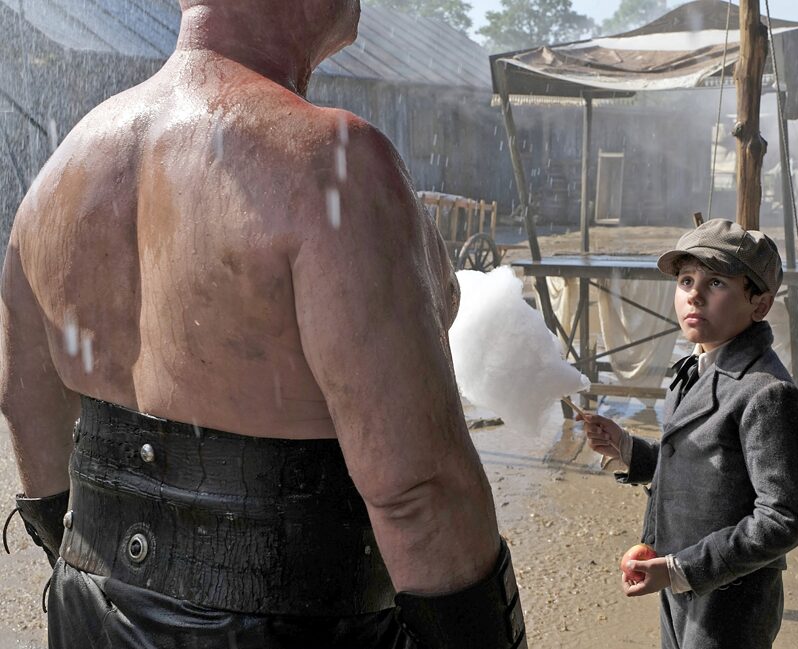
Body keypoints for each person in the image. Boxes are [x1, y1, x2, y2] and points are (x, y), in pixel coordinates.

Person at [0, 1, 525, 647]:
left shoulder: (60, 171)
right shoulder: (328, 161)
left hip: (88, 609)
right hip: (288, 628)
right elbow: (419, 489)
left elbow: (23, 405)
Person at [582, 219, 798, 648]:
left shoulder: (769, 394)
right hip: (678, 585)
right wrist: (628, 450)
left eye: (716, 282)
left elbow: (783, 519)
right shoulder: (692, 371)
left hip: (731, 601)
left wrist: (682, 569)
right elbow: (701, 465)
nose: (694, 294)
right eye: (686, 280)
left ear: (760, 304)